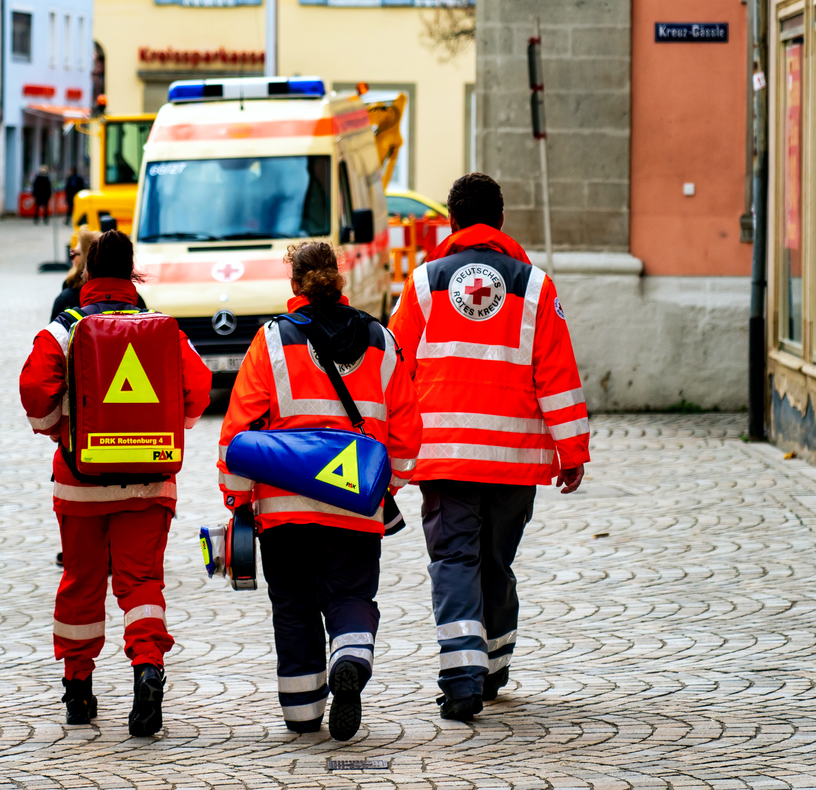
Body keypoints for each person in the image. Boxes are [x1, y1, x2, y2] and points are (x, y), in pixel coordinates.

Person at [387, 172, 591, 722]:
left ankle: (463, 677)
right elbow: (557, 374)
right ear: (500, 221)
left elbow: (394, 364)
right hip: (512, 460)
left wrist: (387, 445)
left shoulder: (425, 281)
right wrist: (571, 451)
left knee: (455, 560)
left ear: (452, 222)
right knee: (496, 565)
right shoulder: (535, 286)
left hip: (446, 455)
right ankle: (493, 668)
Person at [216, 241, 421, 741]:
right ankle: (350, 658)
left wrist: (238, 500)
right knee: (350, 594)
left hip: (283, 513)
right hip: (353, 506)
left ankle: (304, 710)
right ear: (340, 279)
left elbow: (237, 435)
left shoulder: (270, 341)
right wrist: (382, 486)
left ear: (294, 285)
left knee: (293, 604)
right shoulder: (381, 340)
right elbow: (408, 437)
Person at [19, 230, 212, 736]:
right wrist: (168, 424)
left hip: (80, 483)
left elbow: (34, 390)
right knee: (141, 585)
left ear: (87, 272)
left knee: (81, 584)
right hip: (148, 482)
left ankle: (78, 692)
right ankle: (147, 668)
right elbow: (198, 387)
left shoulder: (65, 328)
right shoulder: (162, 329)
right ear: (132, 273)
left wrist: (60, 429)